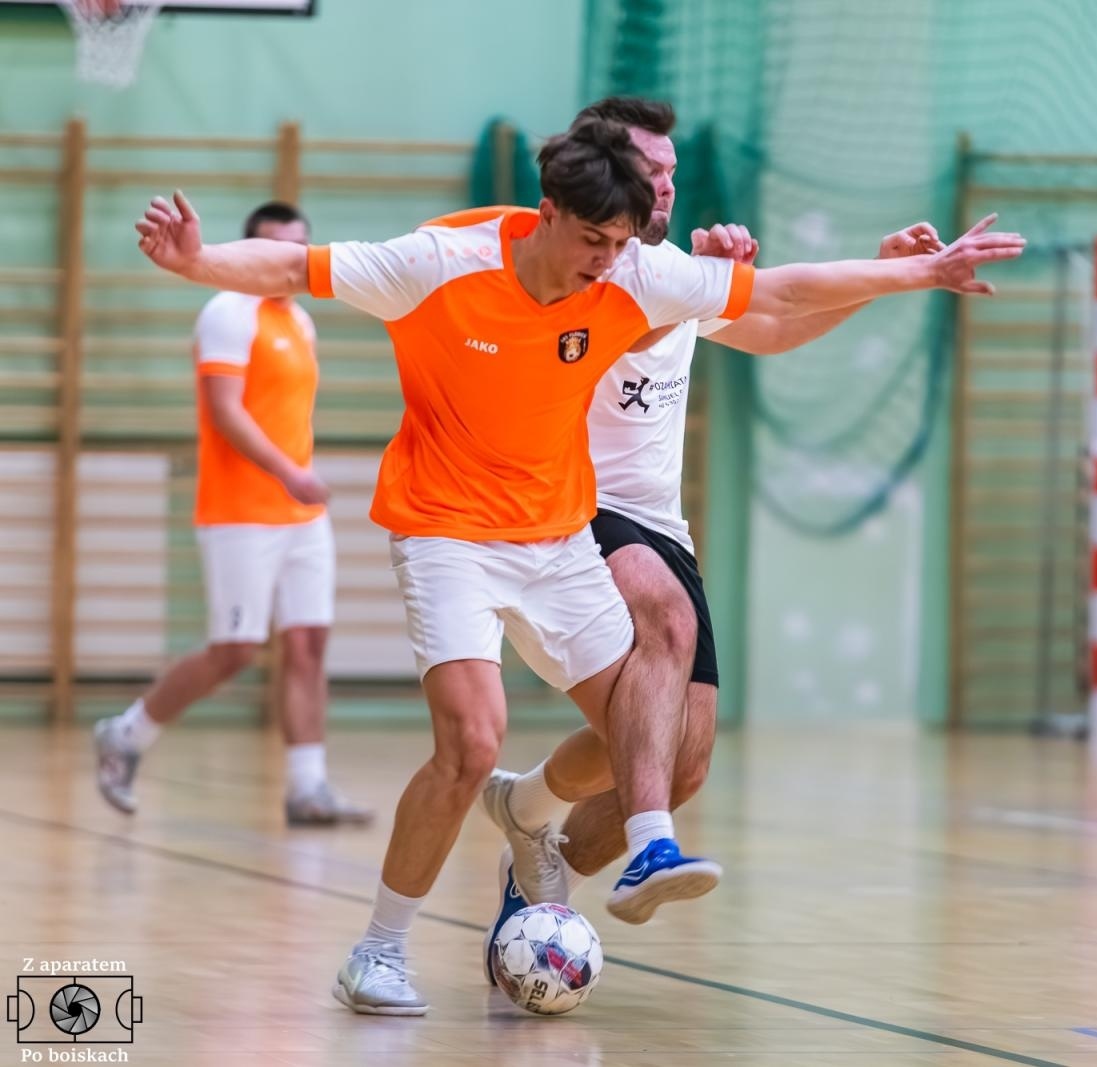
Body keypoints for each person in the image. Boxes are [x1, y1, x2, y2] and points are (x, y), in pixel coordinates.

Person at [132, 118, 1023, 1016]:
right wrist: (197, 261)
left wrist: (921, 271)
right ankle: (379, 947)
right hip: (447, 532)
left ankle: (574, 826)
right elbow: (295, 269)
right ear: (547, 212)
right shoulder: (441, 261)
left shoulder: (637, 270)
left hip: (553, 539)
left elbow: (783, 297)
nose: (605, 261)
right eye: (592, 239)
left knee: (654, 732)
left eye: (620, 241)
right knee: (470, 739)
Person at [478, 98, 945, 973]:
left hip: (658, 520)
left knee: (679, 755)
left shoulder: (675, 269)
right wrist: (700, 280)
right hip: (569, 506)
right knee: (663, 618)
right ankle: (654, 844)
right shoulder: (588, 265)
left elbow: (773, 326)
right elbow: (625, 321)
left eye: (671, 173)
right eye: (650, 170)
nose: (664, 184)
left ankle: (532, 828)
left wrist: (876, 270)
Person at [94, 201, 372, 827]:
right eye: (276, 248)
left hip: (300, 516)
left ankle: (308, 787)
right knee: (236, 650)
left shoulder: (300, 320)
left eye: (299, 249)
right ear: (247, 251)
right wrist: (291, 473)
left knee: (308, 643)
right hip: (241, 510)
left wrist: (298, 480)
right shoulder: (226, 311)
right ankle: (127, 734)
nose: (287, 262)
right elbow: (226, 410)